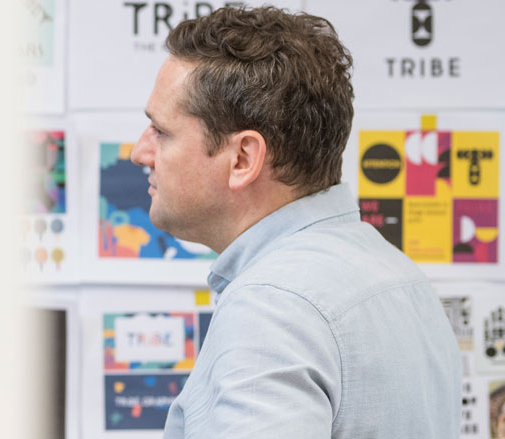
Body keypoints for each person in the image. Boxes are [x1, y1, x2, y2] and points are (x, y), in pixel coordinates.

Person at [129, 7, 461, 438]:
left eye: (161, 132)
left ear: (243, 158)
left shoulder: (270, 308)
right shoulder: (399, 277)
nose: (140, 152)